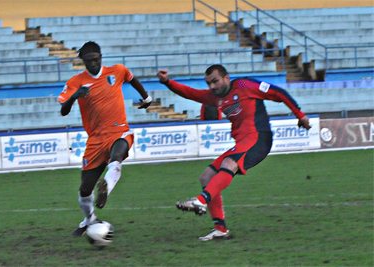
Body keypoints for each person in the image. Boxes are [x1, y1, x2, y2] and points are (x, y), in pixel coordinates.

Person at [157, 64, 311, 241]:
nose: (212, 87)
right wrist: (167, 82)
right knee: (206, 177)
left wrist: (300, 115)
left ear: (226, 78)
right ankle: (220, 229)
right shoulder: (216, 97)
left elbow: (279, 92)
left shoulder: (244, 86)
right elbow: (191, 93)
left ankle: (201, 200)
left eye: (215, 81)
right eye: (209, 83)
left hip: (258, 138)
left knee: (229, 163)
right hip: (242, 143)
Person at [58, 41, 152, 236]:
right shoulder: (76, 82)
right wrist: (75, 96)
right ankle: (89, 219)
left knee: (118, 154)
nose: (93, 63)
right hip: (95, 140)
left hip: (118, 131)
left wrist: (147, 98)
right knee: (85, 190)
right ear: (82, 61)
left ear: (101, 56)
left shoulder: (117, 71)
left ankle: (107, 187)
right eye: (89, 61)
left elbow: (131, 78)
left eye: (96, 59)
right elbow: (63, 111)